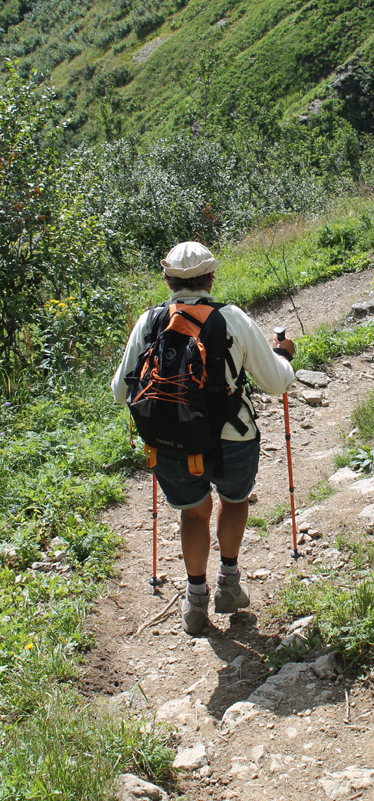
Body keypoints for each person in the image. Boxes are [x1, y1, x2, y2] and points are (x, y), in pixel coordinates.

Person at [112, 241, 295, 635]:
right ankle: (229, 584)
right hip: (234, 436)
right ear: (211, 278)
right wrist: (284, 355)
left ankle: (195, 601)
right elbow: (278, 382)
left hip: (170, 441)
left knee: (194, 512)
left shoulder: (149, 321)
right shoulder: (233, 318)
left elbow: (119, 390)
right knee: (234, 501)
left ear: (167, 280)